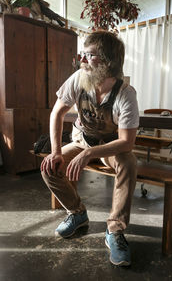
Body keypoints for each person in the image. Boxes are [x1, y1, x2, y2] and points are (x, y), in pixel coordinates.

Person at [41, 30, 139, 267]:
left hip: (110, 147)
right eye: (82, 54)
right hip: (81, 139)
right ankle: (77, 213)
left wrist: (90, 154)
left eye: (90, 55)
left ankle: (114, 230)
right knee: (49, 167)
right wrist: (56, 151)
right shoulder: (79, 78)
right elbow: (57, 113)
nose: (81, 60)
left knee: (129, 163)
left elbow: (126, 142)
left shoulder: (125, 94)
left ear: (108, 62)